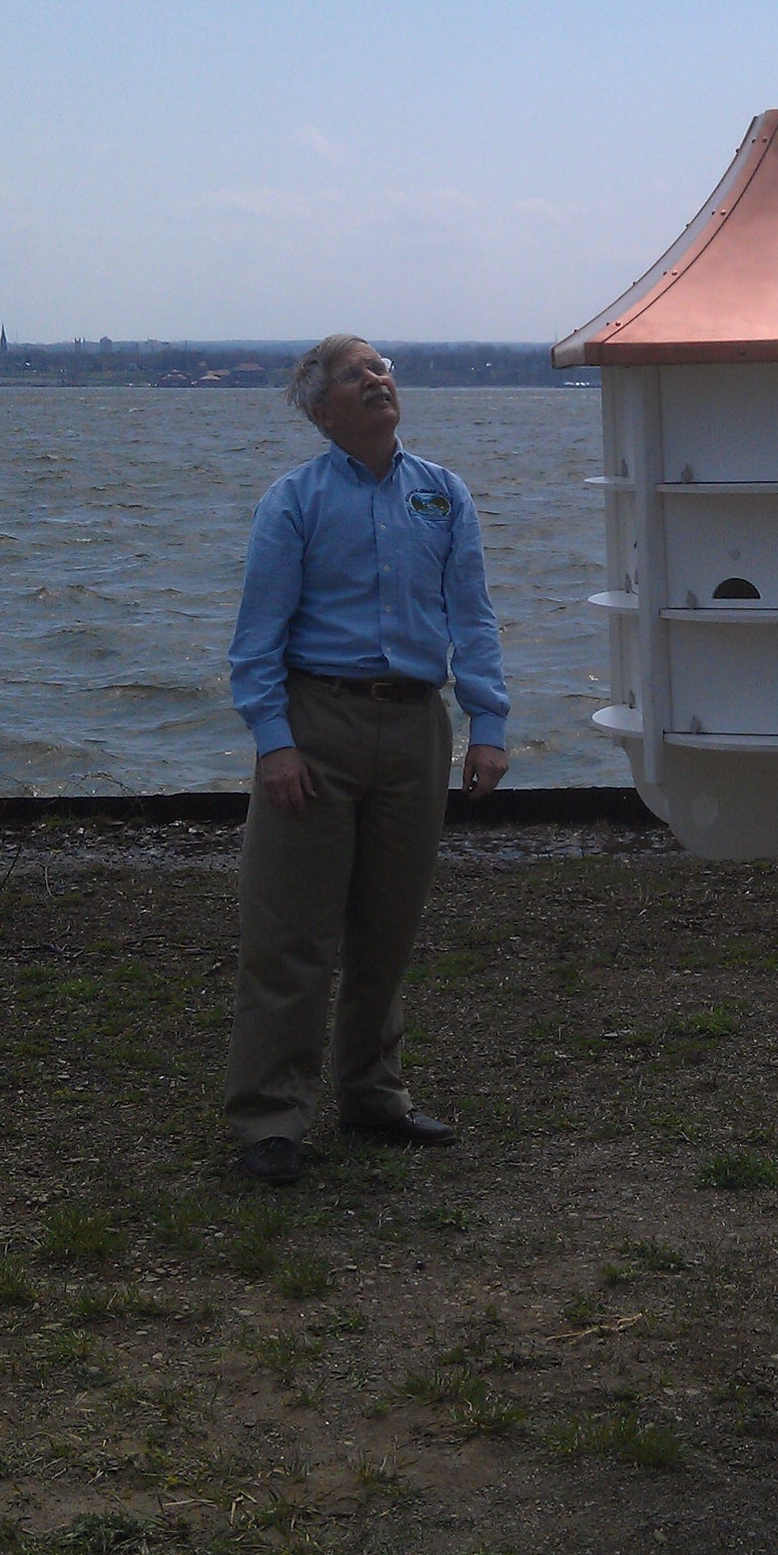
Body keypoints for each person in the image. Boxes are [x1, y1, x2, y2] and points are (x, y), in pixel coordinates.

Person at [225, 334, 508, 1185]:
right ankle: (270, 1119)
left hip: (416, 728)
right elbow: (255, 642)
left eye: (382, 369)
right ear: (322, 409)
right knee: (292, 936)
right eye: (357, 375)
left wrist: (487, 723)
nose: (379, 380)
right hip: (317, 726)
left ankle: (372, 1094)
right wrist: (274, 743)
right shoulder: (294, 502)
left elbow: (475, 616)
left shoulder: (441, 493)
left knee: (388, 927)